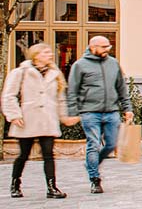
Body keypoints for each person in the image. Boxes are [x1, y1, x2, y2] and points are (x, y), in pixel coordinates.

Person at [3, 42, 77, 199]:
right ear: (36, 55)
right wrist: (14, 115)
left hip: (47, 120)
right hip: (27, 119)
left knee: (48, 155)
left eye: (49, 52)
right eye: (45, 52)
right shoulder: (20, 72)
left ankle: (52, 187)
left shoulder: (54, 74)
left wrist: (63, 117)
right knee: (23, 155)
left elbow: (60, 99)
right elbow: (8, 95)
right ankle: (15, 184)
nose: (49, 55)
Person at [66, 35, 133, 194]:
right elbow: (72, 91)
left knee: (111, 144)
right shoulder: (80, 65)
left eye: (108, 47)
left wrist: (127, 108)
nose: (107, 50)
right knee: (93, 144)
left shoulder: (113, 63)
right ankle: (95, 179)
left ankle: (92, 164)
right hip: (90, 112)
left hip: (111, 111)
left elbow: (121, 88)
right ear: (92, 47)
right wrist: (73, 112)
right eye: (103, 47)